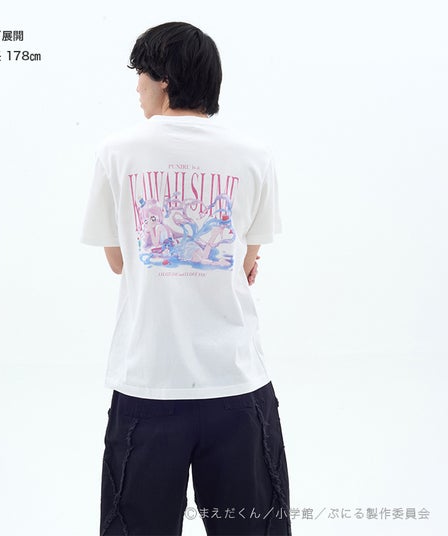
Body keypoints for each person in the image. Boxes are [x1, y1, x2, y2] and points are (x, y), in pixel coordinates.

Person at [80, 21, 292, 536]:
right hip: (237, 384)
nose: (137, 88)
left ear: (165, 79)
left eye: (141, 75)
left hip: (148, 382)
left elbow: (119, 261)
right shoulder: (254, 155)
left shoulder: (116, 152)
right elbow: (247, 263)